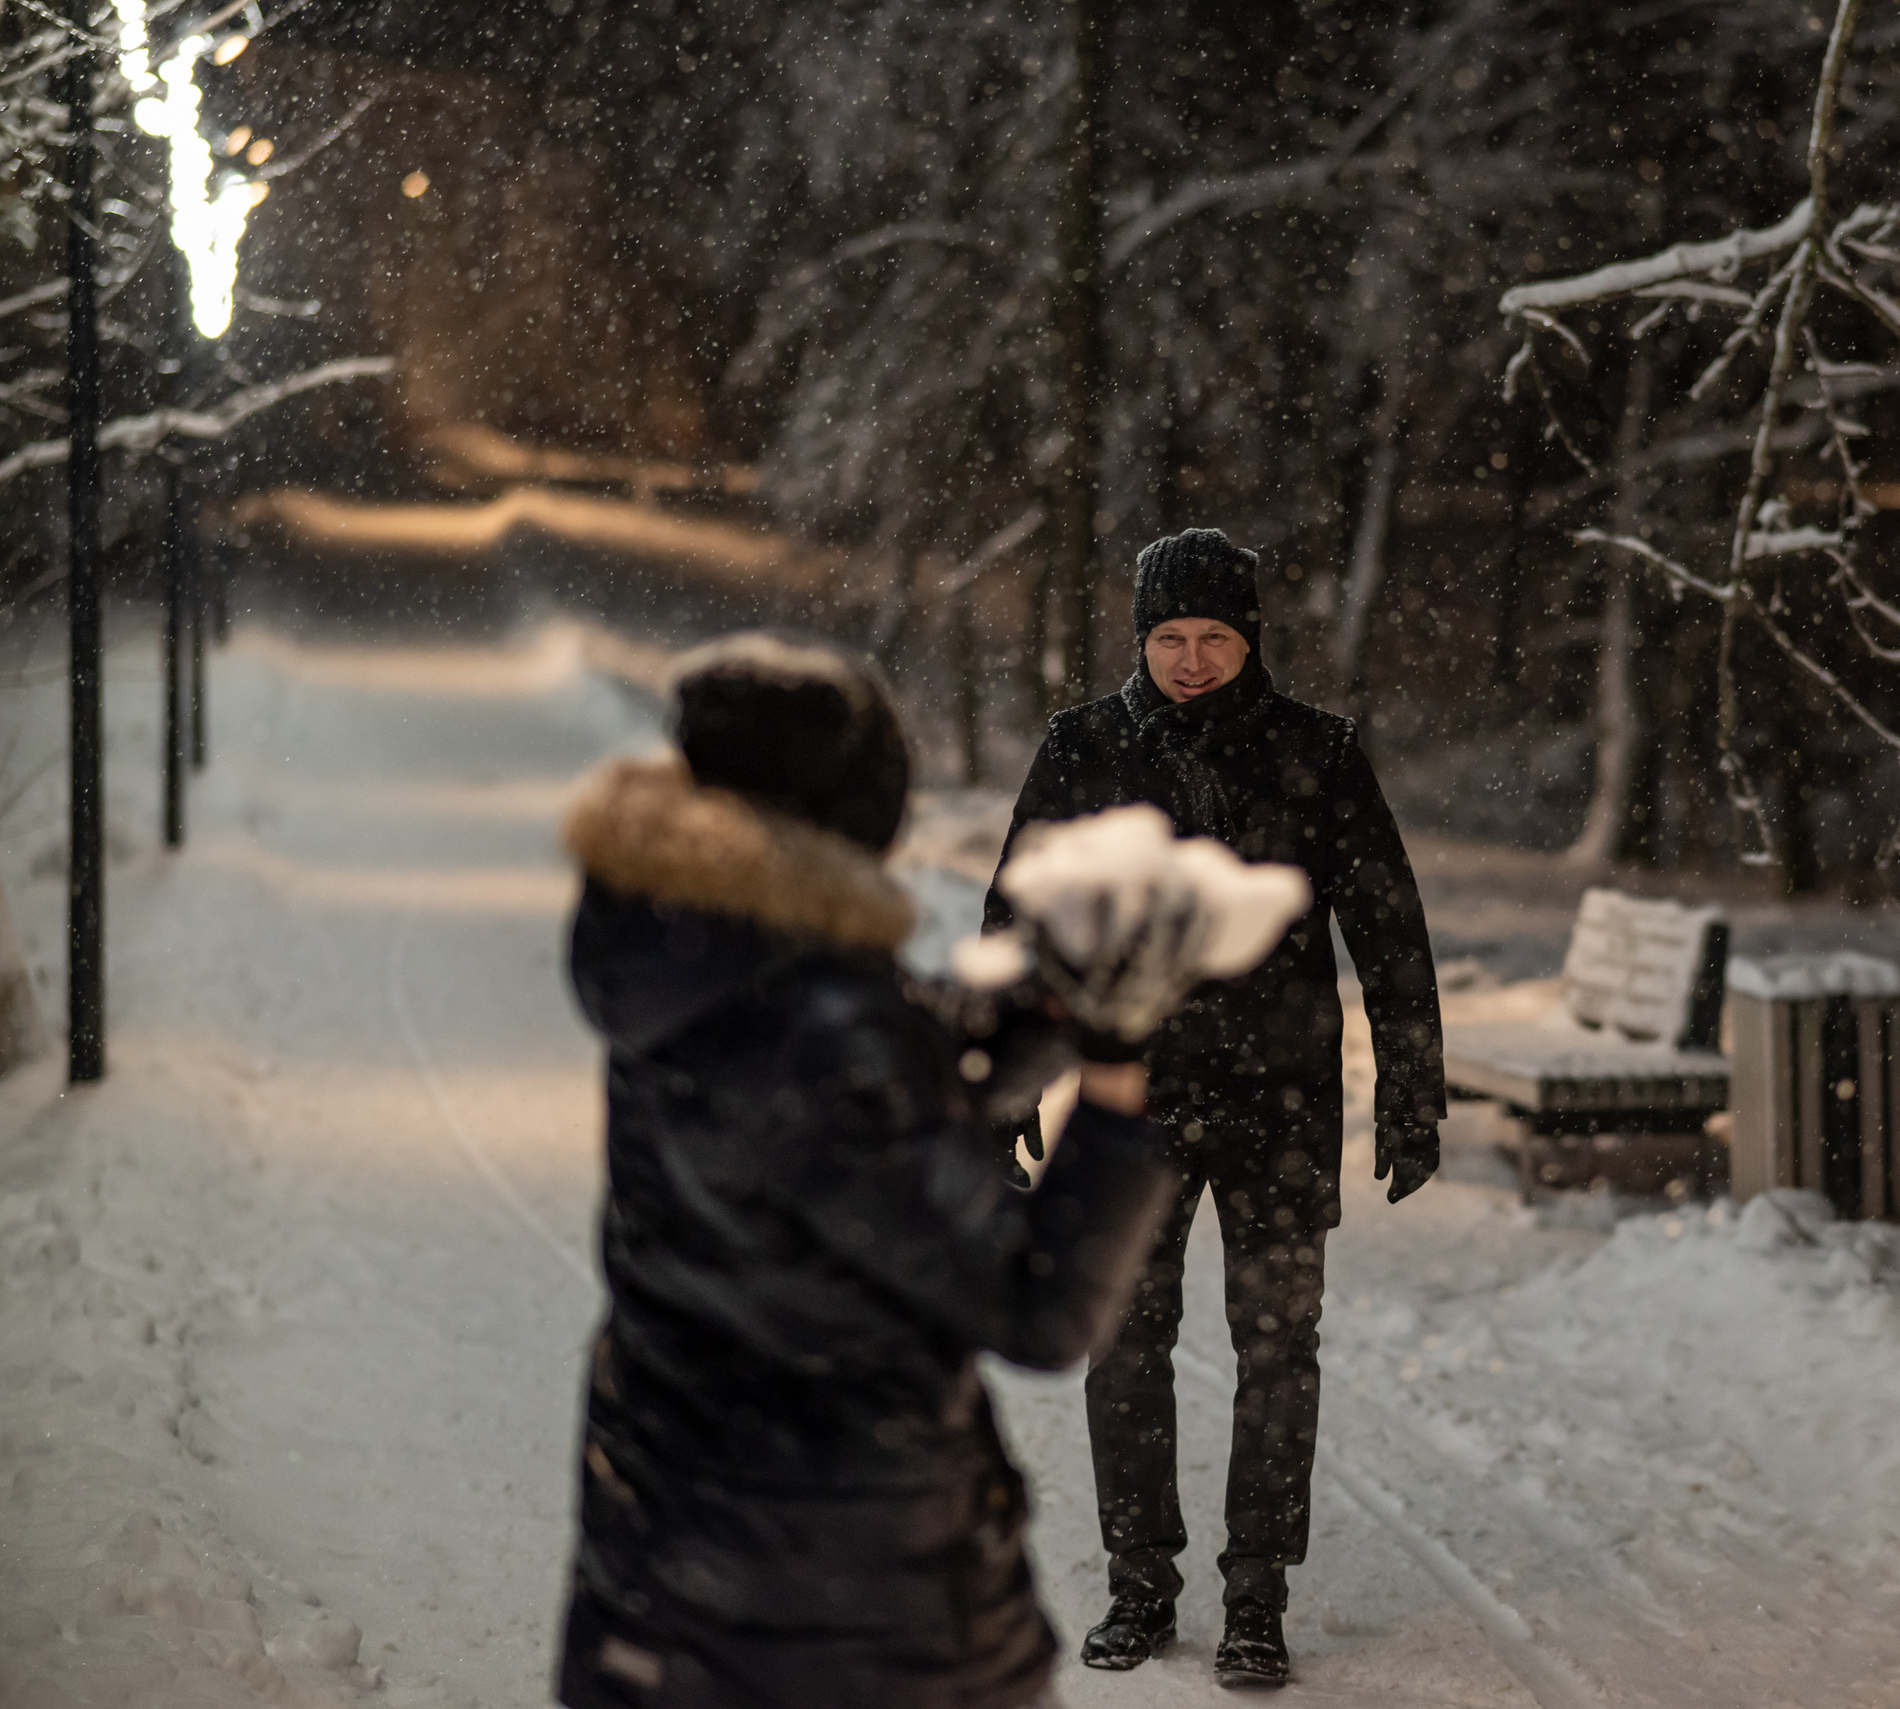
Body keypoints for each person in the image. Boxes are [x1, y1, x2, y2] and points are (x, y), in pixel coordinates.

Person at [553, 631, 1195, 1709]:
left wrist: (1039, 1008)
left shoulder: (687, 946)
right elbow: (1037, 1305)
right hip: (847, 1610)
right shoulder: (820, 1028)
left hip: (669, 1562)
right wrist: (1118, 1077)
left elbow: (864, 1090)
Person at [983, 528, 1446, 1690]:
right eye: (1171, 637)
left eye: (1215, 637)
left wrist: (1412, 1090)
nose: (1192, 659)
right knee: (1123, 1340)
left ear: (1252, 639)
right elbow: (1021, 921)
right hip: (1129, 1100)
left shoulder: (1317, 753)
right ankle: (1139, 1581)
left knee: (1278, 1345)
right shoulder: (1085, 746)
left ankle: (1257, 1596)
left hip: (1281, 1103)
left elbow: (1388, 929)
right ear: (1141, 638)